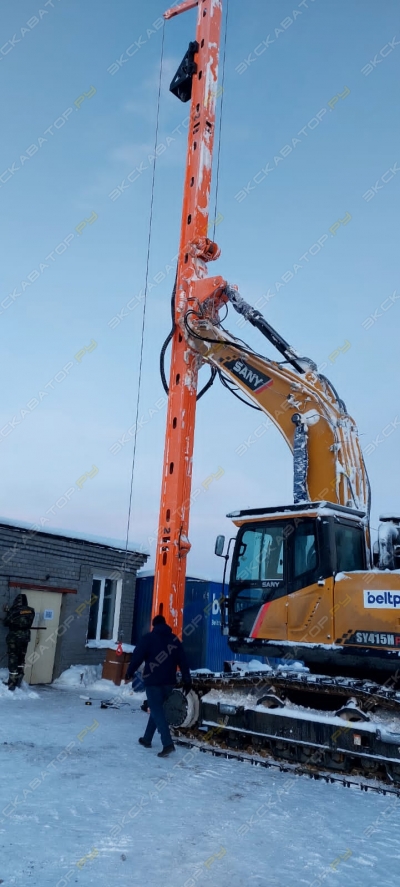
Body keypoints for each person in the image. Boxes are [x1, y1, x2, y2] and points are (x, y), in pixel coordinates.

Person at [125, 614, 192, 757]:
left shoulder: (148, 638)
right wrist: (187, 679)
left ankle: (167, 744)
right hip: (169, 682)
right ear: (165, 624)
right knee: (158, 709)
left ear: (154, 625)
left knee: (156, 710)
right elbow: (183, 660)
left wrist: (129, 672)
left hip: (153, 681)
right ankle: (147, 739)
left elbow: (137, 656)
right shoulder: (174, 639)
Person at [3, 593, 35, 691]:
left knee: (13, 658)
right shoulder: (31, 610)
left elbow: (6, 622)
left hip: (14, 638)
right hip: (25, 638)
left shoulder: (14, 610)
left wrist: (8, 612)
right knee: (21, 658)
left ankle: (12, 683)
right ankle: (19, 681)